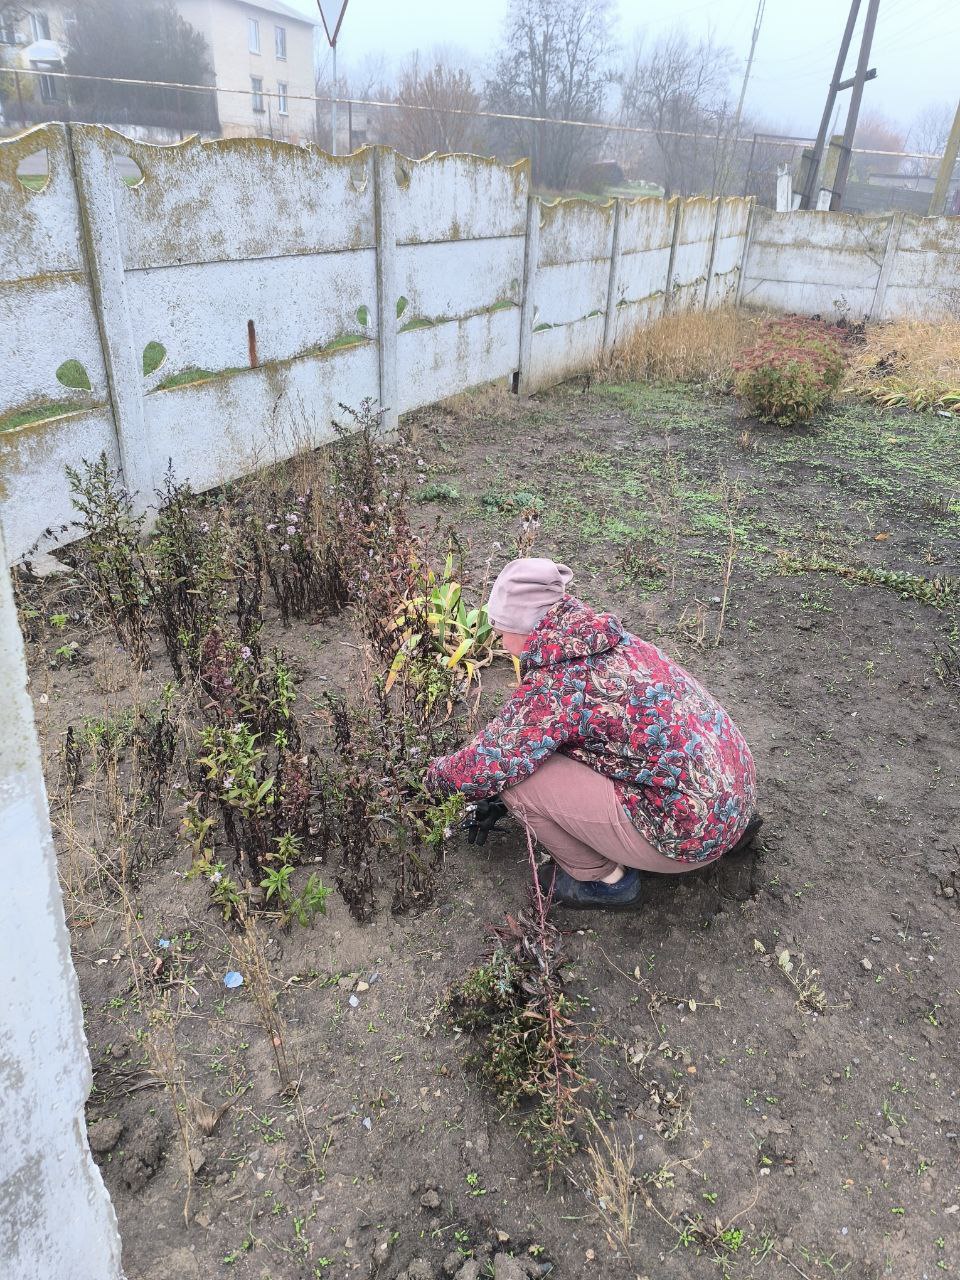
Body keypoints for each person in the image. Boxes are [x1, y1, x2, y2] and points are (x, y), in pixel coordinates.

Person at [425, 558, 759, 911]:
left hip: (692, 831)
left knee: (516, 783)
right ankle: (732, 833)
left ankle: (606, 881)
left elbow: (490, 762)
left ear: (521, 626)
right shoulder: (605, 640)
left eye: (500, 628)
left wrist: (429, 780)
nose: (499, 638)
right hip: (734, 792)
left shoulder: (557, 685)